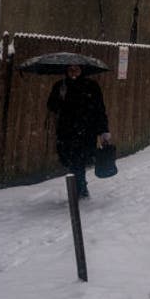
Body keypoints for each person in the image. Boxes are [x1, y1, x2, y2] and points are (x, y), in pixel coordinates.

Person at [47, 64, 110, 199]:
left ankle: (80, 189)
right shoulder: (60, 86)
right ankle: (79, 188)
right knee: (70, 161)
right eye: (70, 70)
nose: (73, 72)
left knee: (79, 161)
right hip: (66, 131)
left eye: (76, 69)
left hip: (86, 130)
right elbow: (52, 106)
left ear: (82, 70)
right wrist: (60, 97)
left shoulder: (91, 86)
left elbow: (99, 108)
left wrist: (103, 130)